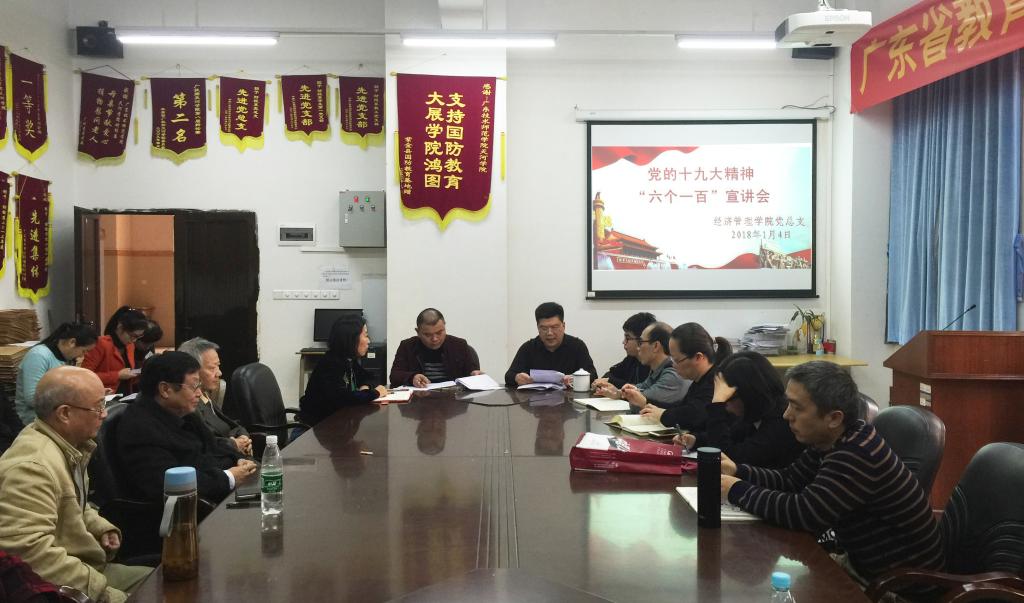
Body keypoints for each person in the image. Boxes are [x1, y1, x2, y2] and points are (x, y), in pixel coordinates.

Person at [721, 361, 943, 585]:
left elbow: (803, 514)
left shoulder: (856, 454)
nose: (787, 415)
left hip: (896, 588)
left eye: (797, 408)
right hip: (861, 566)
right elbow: (790, 480)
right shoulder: (832, 440)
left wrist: (736, 489)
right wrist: (738, 471)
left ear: (834, 418)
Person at [0, 366, 152, 603]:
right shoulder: (32, 468)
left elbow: (71, 502)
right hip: (64, 585)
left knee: (169, 579)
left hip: (83, 567)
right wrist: (102, 593)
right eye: (98, 406)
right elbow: (30, 556)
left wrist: (99, 527)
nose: (104, 414)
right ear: (64, 413)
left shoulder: (66, 444)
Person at [117, 352, 256, 503]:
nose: (199, 393)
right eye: (194, 386)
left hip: (218, 491)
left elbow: (213, 447)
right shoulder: (140, 428)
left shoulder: (183, 412)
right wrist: (229, 478)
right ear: (165, 390)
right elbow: (170, 484)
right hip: (190, 508)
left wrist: (239, 460)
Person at [675, 351, 803, 468]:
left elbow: (726, 458)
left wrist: (717, 405)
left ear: (749, 394)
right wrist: (696, 440)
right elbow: (732, 434)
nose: (726, 407)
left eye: (727, 398)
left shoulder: (781, 423)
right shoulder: (757, 414)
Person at [636, 322, 732, 430]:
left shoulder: (716, 382)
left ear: (698, 357)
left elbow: (694, 415)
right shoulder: (699, 380)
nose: (673, 365)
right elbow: (681, 407)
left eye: (677, 360)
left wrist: (663, 415)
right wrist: (647, 403)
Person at [300, 315, 388, 426]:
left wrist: (365, 386)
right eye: (365, 335)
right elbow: (343, 399)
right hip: (316, 428)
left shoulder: (348, 360)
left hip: (339, 423)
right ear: (351, 339)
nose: (369, 341)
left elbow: (370, 377)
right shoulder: (330, 364)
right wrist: (375, 393)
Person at [178, 337, 252, 457]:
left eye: (218, 366)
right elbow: (205, 443)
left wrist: (243, 438)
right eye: (212, 368)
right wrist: (233, 444)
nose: (219, 373)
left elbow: (229, 425)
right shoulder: (189, 405)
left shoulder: (205, 395)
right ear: (192, 370)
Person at [15, 322, 99, 425]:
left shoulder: (66, 358)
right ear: (72, 342)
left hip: (57, 410)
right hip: (35, 416)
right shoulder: (38, 355)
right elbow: (32, 399)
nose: (83, 356)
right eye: (84, 351)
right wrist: (73, 398)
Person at [504, 302, 598, 387]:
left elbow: (593, 375)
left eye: (554, 327)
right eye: (544, 328)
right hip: (535, 399)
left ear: (563, 326)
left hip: (568, 398)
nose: (549, 333)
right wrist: (517, 377)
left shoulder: (577, 346)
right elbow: (509, 375)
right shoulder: (528, 348)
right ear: (538, 328)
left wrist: (575, 378)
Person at [596, 322, 687, 406]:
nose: (638, 348)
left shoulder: (672, 374)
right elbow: (642, 388)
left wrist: (622, 394)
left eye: (640, 343)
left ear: (656, 346)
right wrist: (618, 392)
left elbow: (639, 402)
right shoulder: (658, 368)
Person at [389, 308, 482, 387]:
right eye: (427, 335)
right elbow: (394, 376)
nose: (435, 339)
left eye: (439, 332)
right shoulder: (407, 346)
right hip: (419, 399)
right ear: (418, 332)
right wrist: (412, 377)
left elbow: (472, 372)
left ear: (444, 326)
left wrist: (475, 375)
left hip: (453, 399)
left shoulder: (459, 345)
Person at [82, 307, 149, 395]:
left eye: (138, 337)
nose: (134, 340)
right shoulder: (101, 344)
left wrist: (138, 373)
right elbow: (85, 376)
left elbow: (127, 374)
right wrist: (117, 375)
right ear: (120, 327)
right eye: (132, 335)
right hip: (104, 395)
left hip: (125, 395)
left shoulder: (130, 345)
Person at [592, 312, 656, 391]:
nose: (623, 342)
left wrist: (611, 381)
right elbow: (609, 375)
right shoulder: (631, 359)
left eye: (628, 338)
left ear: (641, 340)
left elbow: (643, 389)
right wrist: (604, 382)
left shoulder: (655, 364)